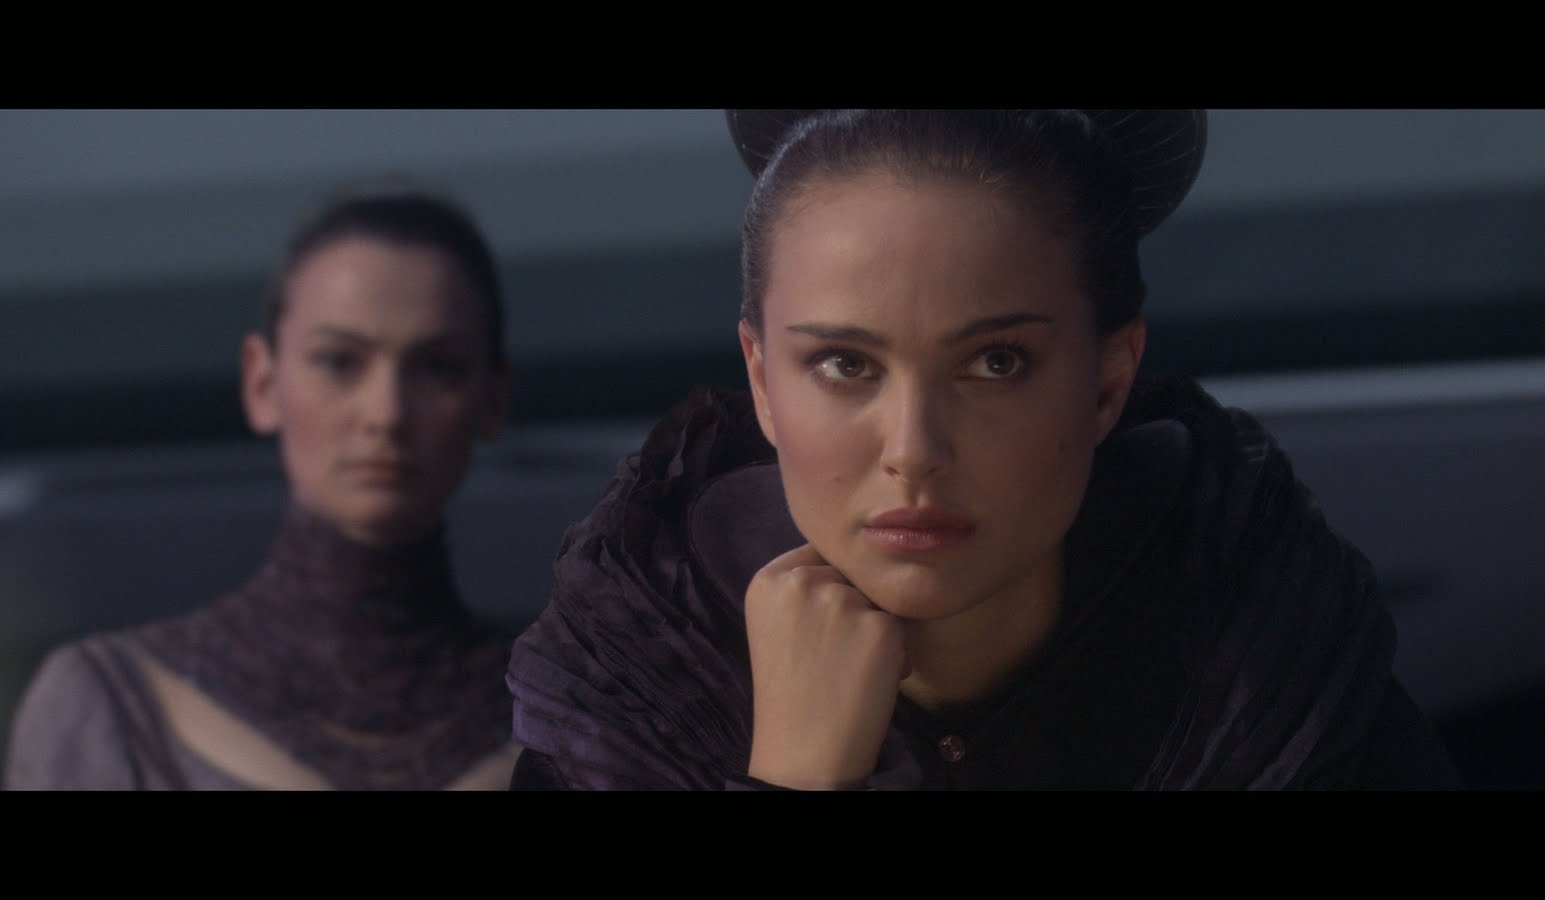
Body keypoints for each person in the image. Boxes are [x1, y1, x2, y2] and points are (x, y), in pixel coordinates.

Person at [504, 109, 1462, 790]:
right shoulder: (626, 702)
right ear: (760, 378)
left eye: (995, 363)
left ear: (1109, 382)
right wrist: (797, 772)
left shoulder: (1283, 685)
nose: (914, 451)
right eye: (844, 364)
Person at [5, 181, 521, 790]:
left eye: (438, 367)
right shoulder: (107, 707)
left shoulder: (587, 721)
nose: (385, 414)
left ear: (492, 398)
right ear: (262, 383)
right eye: (339, 361)